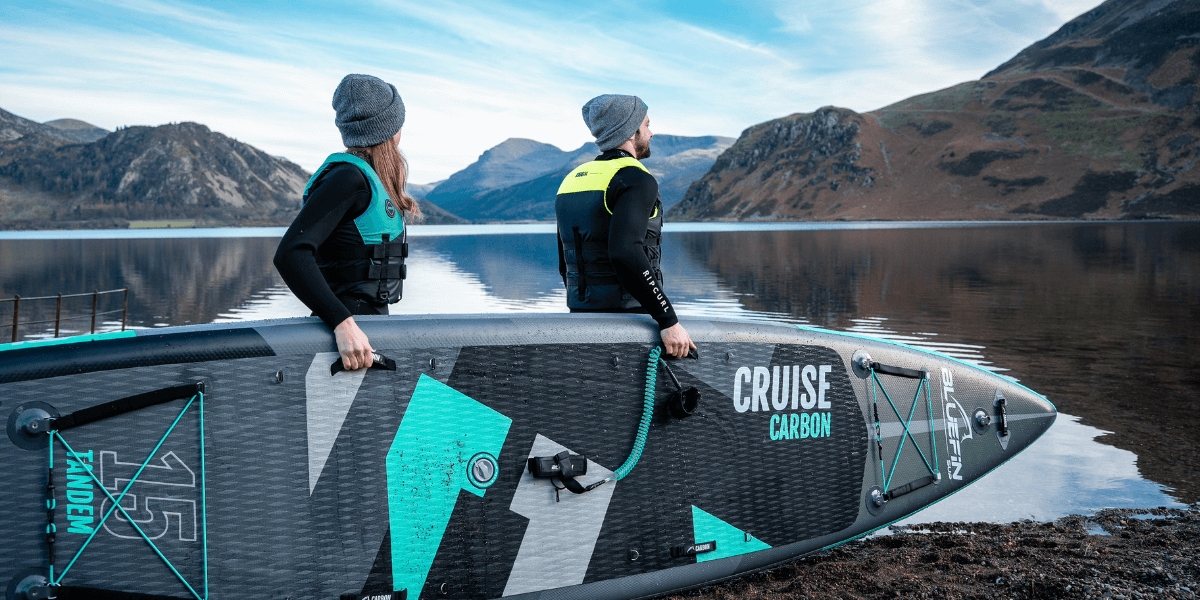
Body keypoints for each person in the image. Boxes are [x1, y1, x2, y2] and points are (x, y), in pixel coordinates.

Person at [274, 74, 420, 371]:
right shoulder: (348, 178)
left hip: (366, 332)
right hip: (349, 342)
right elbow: (290, 253)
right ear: (389, 129)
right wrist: (342, 324)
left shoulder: (364, 179)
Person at [555, 94, 696, 358]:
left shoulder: (572, 180)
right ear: (631, 132)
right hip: (631, 316)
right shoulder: (636, 179)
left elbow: (565, 260)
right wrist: (667, 320)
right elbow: (625, 251)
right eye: (647, 125)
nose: (651, 133)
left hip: (580, 313)